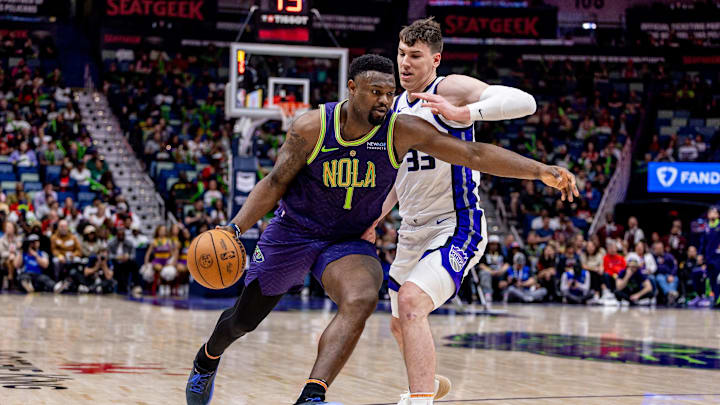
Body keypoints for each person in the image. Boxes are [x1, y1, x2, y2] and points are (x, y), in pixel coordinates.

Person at [185, 55, 578, 405]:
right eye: (375, 92)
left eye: (390, 93)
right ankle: (208, 357)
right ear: (352, 88)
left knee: (360, 298)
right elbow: (273, 184)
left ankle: (313, 395)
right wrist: (234, 229)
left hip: (346, 241)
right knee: (244, 320)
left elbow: (472, 154)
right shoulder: (311, 127)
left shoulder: (400, 129)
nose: (384, 101)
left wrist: (539, 170)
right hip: (295, 232)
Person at [365, 18, 576, 405]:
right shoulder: (394, 106)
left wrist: (469, 114)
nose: (405, 64)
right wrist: (374, 219)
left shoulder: (449, 88)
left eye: (415, 56)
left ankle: (419, 399)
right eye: (401, 55)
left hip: (456, 224)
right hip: (412, 231)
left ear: (435, 59)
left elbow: (523, 102)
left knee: (412, 303)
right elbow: (396, 178)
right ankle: (432, 384)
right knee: (400, 323)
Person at [700, 206, 720, 308]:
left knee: (718, 278)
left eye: (714, 212)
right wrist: (700, 254)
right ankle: (716, 299)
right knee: (711, 279)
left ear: (718, 215)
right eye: (710, 212)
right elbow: (703, 243)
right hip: (709, 258)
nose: (711, 214)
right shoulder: (706, 227)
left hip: (718, 258)